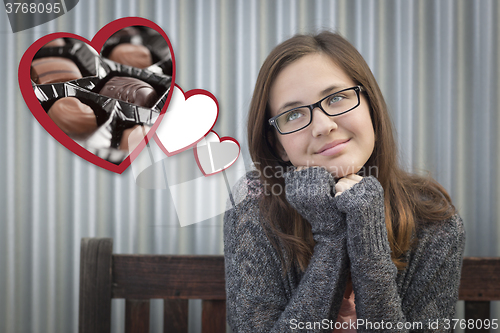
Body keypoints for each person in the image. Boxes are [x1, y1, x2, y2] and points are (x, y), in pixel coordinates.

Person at [224, 31, 465, 332]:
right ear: (277, 145)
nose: (324, 126)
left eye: (337, 98)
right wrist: (331, 236)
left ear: (370, 106)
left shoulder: (435, 223)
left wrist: (369, 238)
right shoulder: (253, 205)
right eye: (294, 114)